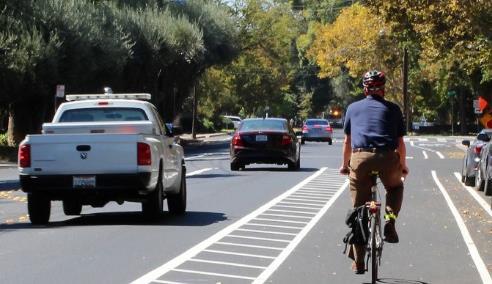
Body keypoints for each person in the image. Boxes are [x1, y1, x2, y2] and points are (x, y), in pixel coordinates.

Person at [339, 70, 409, 274]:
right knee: (395, 188)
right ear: (383, 89)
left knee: (359, 210)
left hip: (360, 159)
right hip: (388, 157)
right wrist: (402, 165)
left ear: (365, 89)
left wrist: (345, 165)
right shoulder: (394, 109)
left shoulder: (352, 108)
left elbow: (347, 142)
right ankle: (390, 223)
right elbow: (400, 144)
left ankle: (359, 262)